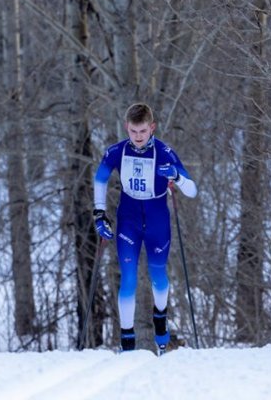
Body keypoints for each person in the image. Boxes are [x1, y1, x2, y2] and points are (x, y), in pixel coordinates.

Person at [93, 103, 197, 353]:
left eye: (142, 131)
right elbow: (100, 178)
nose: (137, 137)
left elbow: (192, 191)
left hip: (156, 218)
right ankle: (127, 342)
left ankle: (160, 321)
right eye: (132, 131)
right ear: (126, 128)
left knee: (158, 277)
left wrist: (178, 176)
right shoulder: (117, 151)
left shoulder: (164, 152)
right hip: (128, 218)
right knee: (127, 278)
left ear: (152, 127)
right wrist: (99, 213)